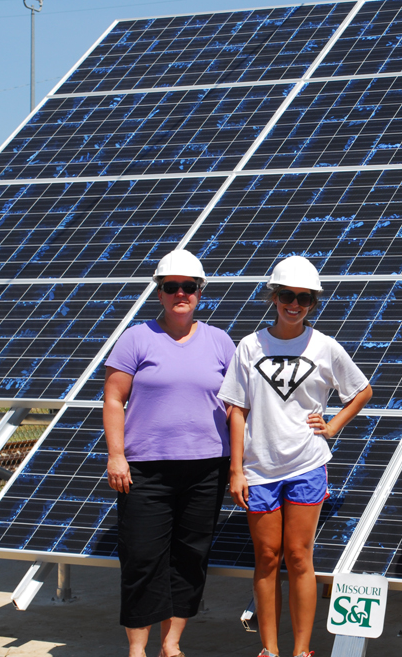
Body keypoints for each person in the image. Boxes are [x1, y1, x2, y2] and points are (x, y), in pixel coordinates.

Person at [219, 255, 373, 657]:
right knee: (267, 557)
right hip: (259, 469)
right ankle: (269, 650)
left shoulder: (324, 346)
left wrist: (334, 425)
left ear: (313, 303)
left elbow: (361, 390)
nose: (295, 303)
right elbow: (237, 410)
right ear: (273, 297)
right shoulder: (250, 346)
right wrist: (236, 470)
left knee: (299, 557)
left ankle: (301, 651)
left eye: (304, 298)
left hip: (306, 464)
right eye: (287, 295)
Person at [103, 248, 236, 657]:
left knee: (189, 557)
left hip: (206, 470)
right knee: (143, 557)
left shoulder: (219, 341)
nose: (181, 294)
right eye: (171, 287)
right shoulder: (136, 338)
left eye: (189, 287)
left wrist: (239, 464)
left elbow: (237, 406)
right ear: (159, 292)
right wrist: (116, 455)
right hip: (145, 470)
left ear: (200, 292)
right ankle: (137, 649)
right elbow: (112, 399)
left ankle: (172, 644)